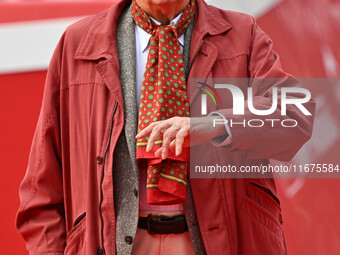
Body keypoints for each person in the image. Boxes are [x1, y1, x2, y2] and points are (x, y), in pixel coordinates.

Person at [16, 0, 315, 254]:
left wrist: (215, 124)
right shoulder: (76, 45)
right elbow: (41, 194)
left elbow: (297, 115)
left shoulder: (242, 35)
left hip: (218, 242)